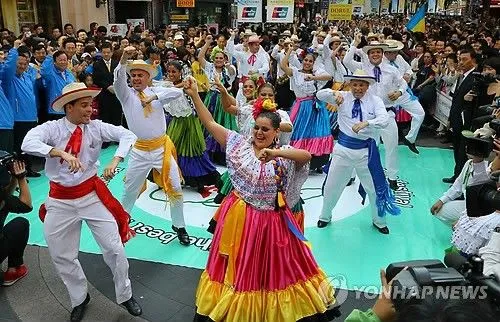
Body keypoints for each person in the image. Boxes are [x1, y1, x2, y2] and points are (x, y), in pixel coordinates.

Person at [183, 77, 339, 321]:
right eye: (256, 128)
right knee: (241, 268)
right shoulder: (239, 145)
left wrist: (274, 152)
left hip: (271, 223)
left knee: (274, 269)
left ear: (277, 132)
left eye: (265, 129)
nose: (258, 133)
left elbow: (306, 156)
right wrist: (194, 95)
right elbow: (211, 122)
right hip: (240, 218)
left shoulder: (284, 155)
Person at [21, 82, 142, 321]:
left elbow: (127, 134)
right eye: (85, 105)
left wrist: (115, 160)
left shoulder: (96, 128)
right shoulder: (53, 129)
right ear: (69, 108)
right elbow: (28, 143)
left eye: (91, 105)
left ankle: (125, 294)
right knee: (61, 254)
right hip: (60, 200)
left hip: (90, 196)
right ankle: (79, 298)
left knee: (115, 249)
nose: (90, 110)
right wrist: (60, 153)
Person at [113, 46, 191, 246]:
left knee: (175, 187)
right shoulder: (126, 95)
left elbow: (176, 93)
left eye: (141, 75)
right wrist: (123, 59)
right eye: (134, 75)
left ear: (148, 78)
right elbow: (118, 81)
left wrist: (154, 97)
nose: (137, 78)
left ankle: (179, 225)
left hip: (161, 150)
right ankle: (122, 221)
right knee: (130, 189)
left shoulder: (157, 91)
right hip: (139, 151)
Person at [316, 70, 399, 234]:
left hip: (366, 153)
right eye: (355, 84)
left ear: (367, 86)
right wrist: (332, 92)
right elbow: (319, 95)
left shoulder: (375, 101)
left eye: (361, 85)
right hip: (343, 151)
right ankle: (325, 216)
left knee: (375, 189)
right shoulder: (343, 96)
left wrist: (367, 123)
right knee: (332, 186)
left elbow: (384, 119)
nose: (358, 88)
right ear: (350, 85)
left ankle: (379, 221)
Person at [0, 157, 32, 286]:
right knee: (21, 224)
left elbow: (5, 194)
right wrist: (20, 177)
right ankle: (15, 269)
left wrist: (13, 178)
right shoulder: (3, 201)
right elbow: (26, 205)